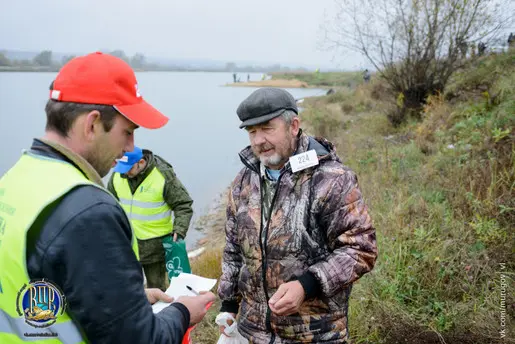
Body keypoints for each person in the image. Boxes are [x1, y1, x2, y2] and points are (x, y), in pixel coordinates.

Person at [0, 52, 215, 343]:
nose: (130, 148)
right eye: (127, 132)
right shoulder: (88, 211)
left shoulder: (16, 179)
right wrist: (181, 312)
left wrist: (127, 299)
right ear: (92, 125)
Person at [217, 88, 378, 343]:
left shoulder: (332, 179)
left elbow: (360, 249)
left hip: (315, 334)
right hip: (251, 333)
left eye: (267, 128)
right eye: (252, 132)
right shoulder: (243, 181)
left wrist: (306, 285)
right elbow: (233, 247)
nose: (258, 140)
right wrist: (228, 304)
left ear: (293, 126)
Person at [107, 146, 194, 292]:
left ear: (141, 162)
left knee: (157, 289)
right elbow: (108, 205)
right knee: (129, 289)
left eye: (129, 168)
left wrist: (179, 229)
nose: (125, 173)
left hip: (155, 248)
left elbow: (183, 204)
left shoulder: (163, 175)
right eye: (122, 168)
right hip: (127, 244)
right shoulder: (118, 175)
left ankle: (159, 314)